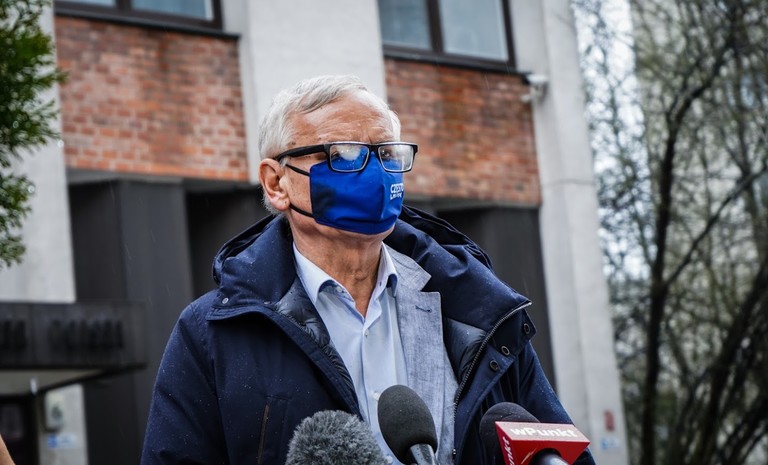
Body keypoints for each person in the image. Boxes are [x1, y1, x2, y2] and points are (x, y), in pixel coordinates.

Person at [141, 74, 595, 465]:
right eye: (343, 154)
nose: (374, 173)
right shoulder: (215, 333)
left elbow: (560, 450)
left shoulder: (478, 310)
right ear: (277, 183)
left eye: (387, 154)